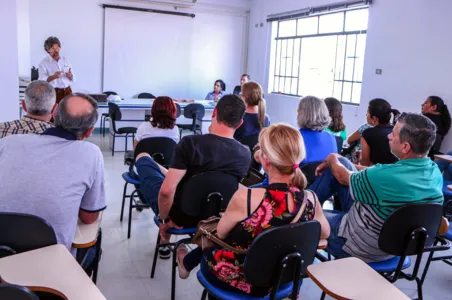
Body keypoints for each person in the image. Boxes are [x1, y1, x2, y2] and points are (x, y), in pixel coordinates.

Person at [180, 124, 330, 297]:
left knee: (211, 248)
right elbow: (324, 233)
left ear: (265, 160)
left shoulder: (246, 197)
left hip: (240, 281)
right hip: (282, 280)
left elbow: (220, 234)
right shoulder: (310, 199)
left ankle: (186, 264)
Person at [310, 113, 443, 263]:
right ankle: (306, 207)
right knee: (343, 164)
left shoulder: (385, 176)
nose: (389, 137)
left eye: (393, 134)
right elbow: (372, 174)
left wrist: (332, 158)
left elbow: (342, 177)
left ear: (405, 147)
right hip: (395, 247)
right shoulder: (435, 172)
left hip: (357, 245)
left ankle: (301, 210)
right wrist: (341, 162)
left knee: (306, 221)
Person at [134, 95, 251, 258]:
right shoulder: (245, 154)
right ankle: (161, 169)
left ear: (214, 112)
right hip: (213, 217)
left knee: (143, 159)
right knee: (179, 178)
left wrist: (164, 221)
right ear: (240, 123)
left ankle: (154, 166)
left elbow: (166, 192)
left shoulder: (191, 143)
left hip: (180, 216)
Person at [0, 93, 106, 270]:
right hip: (52, 271)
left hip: (3, 259)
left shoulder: (8, 143)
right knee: (95, 248)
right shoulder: (91, 154)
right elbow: (89, 218)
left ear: (54, 112)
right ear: (89, 131)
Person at [297, 96, 337, 165]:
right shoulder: (331, 137)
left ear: (302, 114)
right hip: (325, 175)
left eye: (299, 111)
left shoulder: (295, 138)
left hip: (301, 175)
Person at [360, 98, 400, 166]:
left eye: (367, 113)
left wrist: (360, 156)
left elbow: (365, 164)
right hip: (397, 172)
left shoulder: (367, 133)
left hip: (376, 174)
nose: (366, 115)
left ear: (374, 118)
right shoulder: (398, 131)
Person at [38, 37, 75, 104]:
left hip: (68, 91)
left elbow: (74, 78)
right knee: (55, 114)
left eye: (57, 47)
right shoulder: (43, 63)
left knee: (69, 114)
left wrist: (70, 76)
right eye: (53, 48)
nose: (56, 50)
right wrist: (53, 77)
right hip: (54, 93)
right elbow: (41, 81)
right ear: (48, 50)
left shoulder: (65, 60)